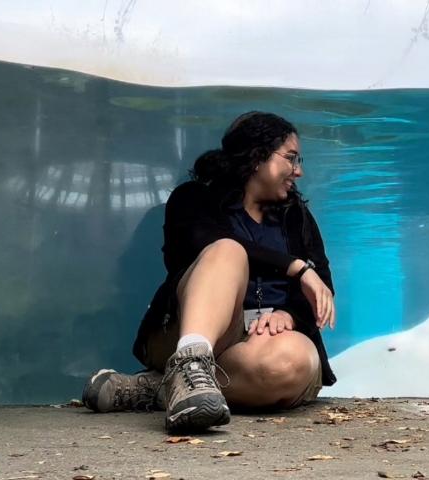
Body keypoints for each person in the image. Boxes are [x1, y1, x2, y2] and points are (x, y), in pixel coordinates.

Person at [82, 111, 337, 432]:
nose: (298, 171)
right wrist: (295, 267)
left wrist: (290, 314)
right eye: (291, 158)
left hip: (259, 348)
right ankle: (190, 360)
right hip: (185, 331)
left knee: (291, 364)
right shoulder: (192, 199)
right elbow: (209, 241)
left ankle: (157, 389)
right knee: (227, 251)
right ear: (258, 156)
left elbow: (322, 286)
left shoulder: (297, 217)